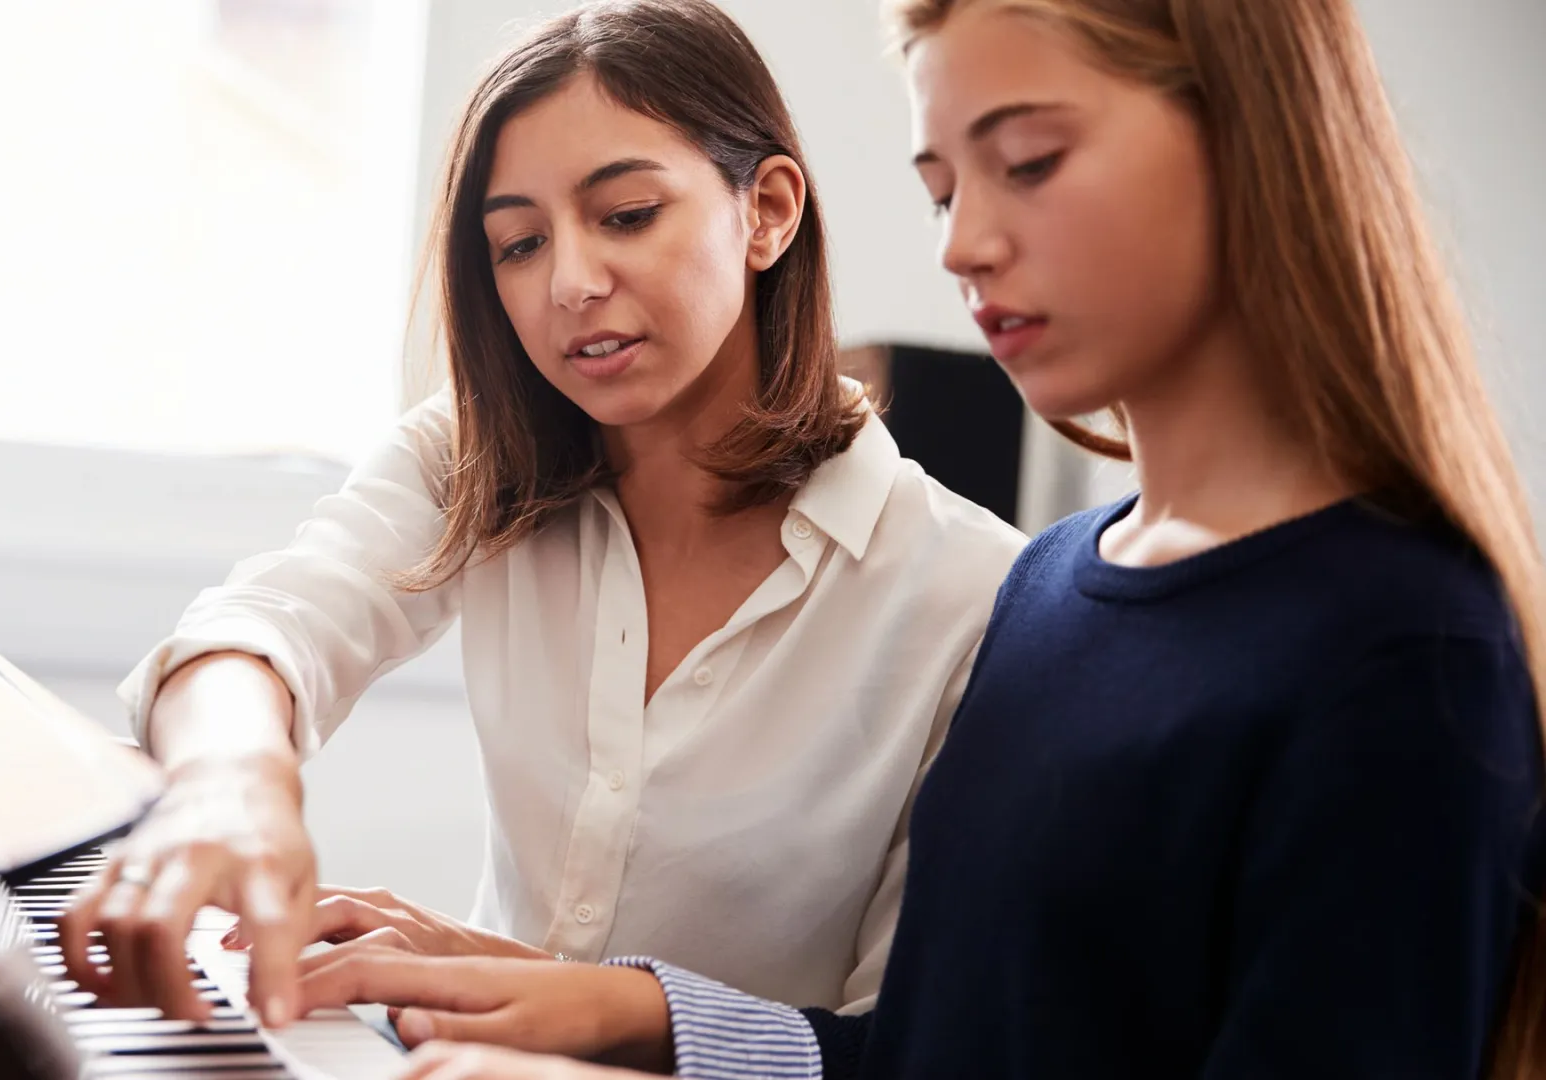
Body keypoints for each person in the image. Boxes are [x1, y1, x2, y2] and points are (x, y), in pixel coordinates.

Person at [292, 0, 1546, 1077]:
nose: (960, 245)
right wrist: (615, 1005)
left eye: (1031, 162)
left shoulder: (1400, 643)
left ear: (1253, 143)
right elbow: (927, 1054)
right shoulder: (1059, 589)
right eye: (942, 187)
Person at [55, 0, 1025, 1028]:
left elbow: (905, 1041)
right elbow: (269, 624)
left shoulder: (970, 598)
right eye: (518, 244)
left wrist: (583, 1006)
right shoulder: (481, 459)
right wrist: (230, 783)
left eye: (626, 215)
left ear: (769, 211)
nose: (569, 282)